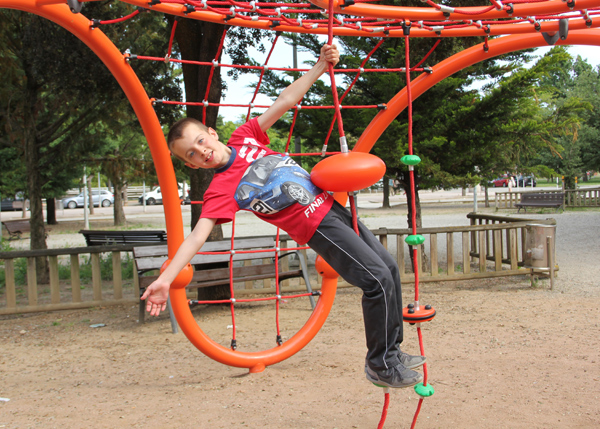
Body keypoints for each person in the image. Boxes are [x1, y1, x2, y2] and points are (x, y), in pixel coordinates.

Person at [141, 43, 425, 388]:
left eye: (202, 141)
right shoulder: (219, 189)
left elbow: (285, 102)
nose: (203, 152)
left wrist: (321, 66)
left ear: (212, 134)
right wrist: (166, 278)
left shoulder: (245, 136)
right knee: (376, 279)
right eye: (193, 154)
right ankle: (379, 364)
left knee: (390, 269)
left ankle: (392, 352)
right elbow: (198, 236)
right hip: (318, 227)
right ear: (190, 164)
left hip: (332, 208)